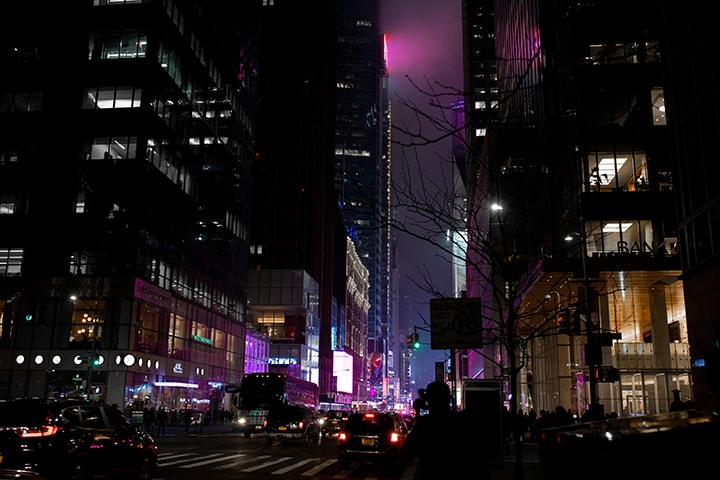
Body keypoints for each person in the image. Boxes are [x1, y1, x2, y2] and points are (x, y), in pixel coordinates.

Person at [401, 381, 489, 480]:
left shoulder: (426, 424)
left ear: (429, 400)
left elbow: (405, 451)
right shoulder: (463, 422)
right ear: (449, 398)